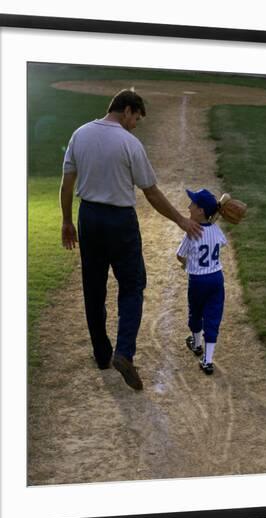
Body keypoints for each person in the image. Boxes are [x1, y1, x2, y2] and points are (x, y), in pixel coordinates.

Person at [60, 89, 201, 391]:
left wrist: (67, 220)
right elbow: (151, 192)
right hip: (120, 222)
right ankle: (124, 352)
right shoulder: (129, 143)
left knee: (93, 287)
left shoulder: (80, 134)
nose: (135, 124)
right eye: (136, 118)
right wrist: (181, 220)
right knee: (133, 285)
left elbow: (67, 182)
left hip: (89, 218)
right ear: (126, 110)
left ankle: (101, 354)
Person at [176, 188, 227, 375]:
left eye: (193, 205)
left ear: (201, 211)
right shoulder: (216, 230)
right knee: (213, 318)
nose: (189, 207)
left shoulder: (191, 232)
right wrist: (212, 225)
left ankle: (197, 344)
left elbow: (179, 256)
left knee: (196, 312)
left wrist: (186, 265)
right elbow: (221, 242)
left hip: (198, 280)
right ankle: (208, 360)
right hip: (216, 279)